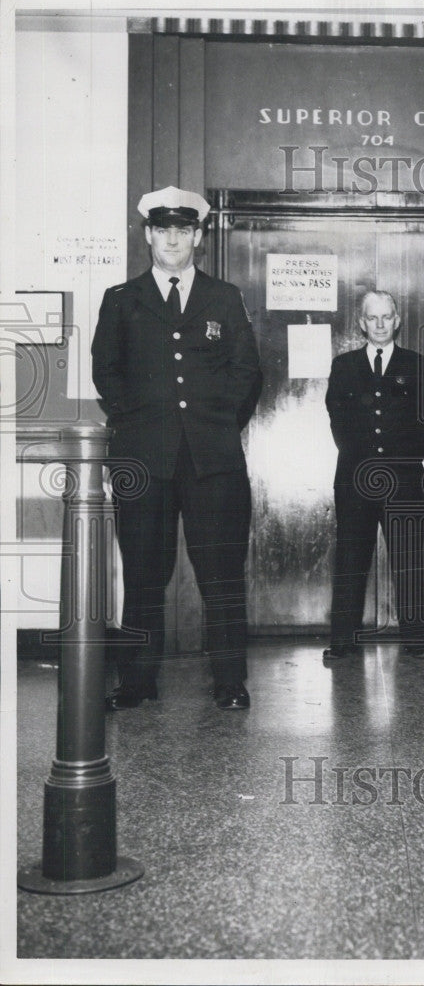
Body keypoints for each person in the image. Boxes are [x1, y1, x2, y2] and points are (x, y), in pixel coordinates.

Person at [92, 186, 263, 710]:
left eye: (183, 230)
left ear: (198, 237)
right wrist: (142, 426)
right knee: (144, 575)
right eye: (162, 230)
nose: (172, 239)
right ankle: (138, 682)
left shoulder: (224, 297)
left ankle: (230, 682)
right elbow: (107, 372)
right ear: (148, 236)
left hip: (214, 463)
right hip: (143, 462)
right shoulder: (121, 299)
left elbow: (247, 373)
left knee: (222, 575)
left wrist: (214, 426)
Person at [324, 290, 424, 661]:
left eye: (386, 317)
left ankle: (417, 639)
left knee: (408, 560)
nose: (379, 324)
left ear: (397, 320)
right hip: (354, 480)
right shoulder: (343, 366)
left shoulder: (416, 365)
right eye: (371, 318)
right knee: (350, 559)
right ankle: (343, 640)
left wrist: (397, 464)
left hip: (404, 482)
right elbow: (338, 422)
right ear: (361, 323)